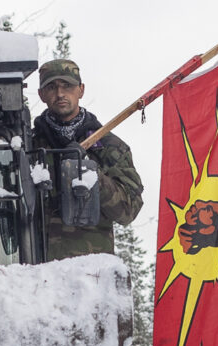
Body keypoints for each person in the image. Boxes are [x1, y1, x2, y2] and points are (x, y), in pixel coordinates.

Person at [28, 57, 143, 260]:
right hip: (35, 270)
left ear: (81, 90)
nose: (60, 94)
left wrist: (92, 176)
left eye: (67, 86)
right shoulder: (29, 147)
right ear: (41, 94)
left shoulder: (109, 147)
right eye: (51, 87)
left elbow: (128, 211)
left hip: (89, 274)